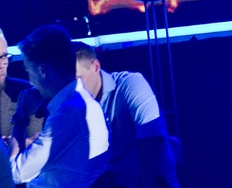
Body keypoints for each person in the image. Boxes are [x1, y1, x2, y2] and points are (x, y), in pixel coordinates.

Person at [8, 26, 108, 188]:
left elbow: (13, 173)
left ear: (42, 71)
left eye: (29, 72)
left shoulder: (69, 113)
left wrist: (21, 117)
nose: (30, 81)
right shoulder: (79, 103)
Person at [74, 45, 178, 188]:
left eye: (78, 79)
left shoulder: (131, 83)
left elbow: (152, 139)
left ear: (95, 67)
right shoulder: (72, 106)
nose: (74, 88)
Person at [1, 28, 45, 148]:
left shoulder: (27, 93)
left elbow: (38, 142)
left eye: (4, 56)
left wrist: (22, 144)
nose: (1, 65)